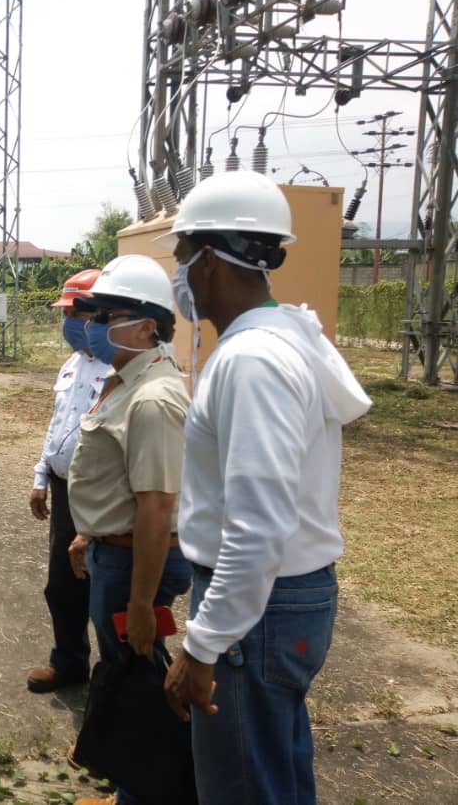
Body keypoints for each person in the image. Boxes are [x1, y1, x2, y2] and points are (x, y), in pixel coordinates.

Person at [158, 170, 372, 804]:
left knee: (245, 788)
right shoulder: (285, 338)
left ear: (210, 261)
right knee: (273, 775)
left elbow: (257, 526)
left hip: (258, 611)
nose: (177, 274)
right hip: (276, 604)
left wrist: (203, 645)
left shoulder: (252, 361)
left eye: (180, 256)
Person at [66, 255, 193, 805]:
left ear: (146, 327)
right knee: (125, 671)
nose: (93, 326)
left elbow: (157, 507)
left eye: (107, 316)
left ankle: (151, 791)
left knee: (138, 680)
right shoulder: (125, 380)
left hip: (134, 563)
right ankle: (130, 790)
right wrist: (89, 533)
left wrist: (142, 603)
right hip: (113, 551)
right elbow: (118, 477)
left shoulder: (153, 398)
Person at [27, 269, 115, 693]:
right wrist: (41, 475)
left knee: (110, 587)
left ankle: (121, 679)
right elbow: (58, 424)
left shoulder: (122, 368)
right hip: (66, 491)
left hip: (105, 494)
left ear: (103, 315)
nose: (68, 323)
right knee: (63, 584)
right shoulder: (72, 364)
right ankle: (69, 663)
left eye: (76, 314)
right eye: (65, 314)